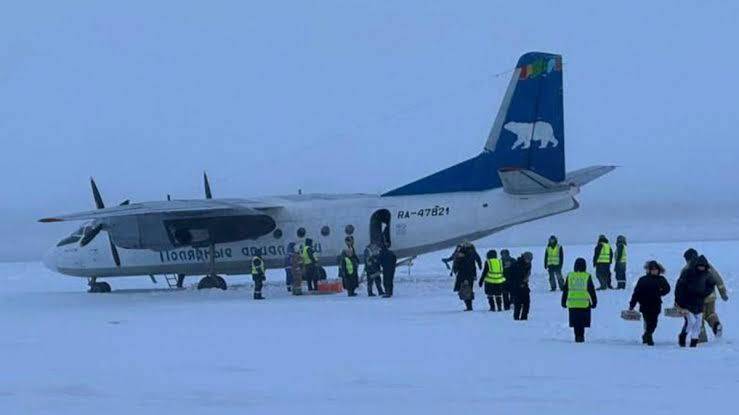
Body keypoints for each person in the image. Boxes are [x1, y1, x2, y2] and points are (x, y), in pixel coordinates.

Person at [680, 249, 729, 342]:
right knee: (710, 314)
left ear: (687, 259)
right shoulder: (707, 265)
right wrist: (723, 293)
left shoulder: (686, 269)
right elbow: (717, 278)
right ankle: (716, 325)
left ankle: (702, 340)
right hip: (711, 297)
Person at [675, 255, 716, 347]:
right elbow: (679, 287)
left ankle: (693, 343)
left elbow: (712, 284)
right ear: (696, 265)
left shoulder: (707, 274)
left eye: (703, 266)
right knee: (691, 321)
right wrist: (680, 302)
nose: (701, 267)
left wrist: (705, 292)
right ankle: (682, 336)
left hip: (699, 303)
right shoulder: (687, 273)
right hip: (687, 303)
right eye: (700, 265)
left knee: (697, 324)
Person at [628, 260, 671, 346]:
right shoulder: (643, 279)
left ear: (659, 270)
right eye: (653, 269)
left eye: (656, 269)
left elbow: (667, 289)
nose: (654, 271)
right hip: (644, 304)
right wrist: (632, 305)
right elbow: (636, 293)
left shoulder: (661, 279)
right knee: (647, 321)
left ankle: (646, 335)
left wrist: (660, 292)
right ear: (649, 270)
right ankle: (649, 338)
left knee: (654, 323)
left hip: (656, 304)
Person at [561, 258, 598, 343]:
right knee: (582, 323)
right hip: (584, 303)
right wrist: (594, 301)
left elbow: (565, 290)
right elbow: (591, 290)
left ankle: (577, 337)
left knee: (576, 323)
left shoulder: (570, 276)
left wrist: (563, 301)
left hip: (572, 303)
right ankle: (581, 337)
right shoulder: (587, 276)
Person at [452, 241, 482, 311]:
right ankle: (469, 305)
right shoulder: (473, 252)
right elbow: (478, 259)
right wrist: (480, 266)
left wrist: (455, 270)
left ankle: (469, 306)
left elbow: (456, 262)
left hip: (462, 274)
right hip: (471, 274)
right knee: (468, 289)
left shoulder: (460, 253)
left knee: (464, 289)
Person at [509, 252, 533, 320]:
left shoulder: (528, 264)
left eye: (530, 259)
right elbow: (514, 277)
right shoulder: (517, 264)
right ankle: (516, 318)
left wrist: (524, 281)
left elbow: (527, 274)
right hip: (516, 287)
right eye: (528, 259)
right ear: (524, 258)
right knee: (518, 304)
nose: (529, 261)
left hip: (524, 285)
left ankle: (524, 318)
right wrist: (520, 283)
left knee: (527, 303)